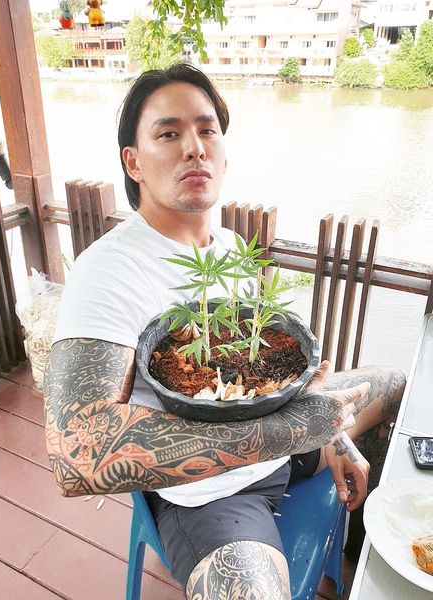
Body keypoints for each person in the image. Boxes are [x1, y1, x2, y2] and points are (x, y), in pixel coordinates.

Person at [44, 63, 405, 599]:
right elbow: (78, 453)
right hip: (208, 493)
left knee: (393, 382)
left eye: (207, 130)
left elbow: (258, 375)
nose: (194, 148)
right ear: (133, 161)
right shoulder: (110, 270)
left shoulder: (232, 249)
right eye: (169, 134)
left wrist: (331, 435)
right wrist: (289, 432)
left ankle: (358, 557)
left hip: (283, 442)